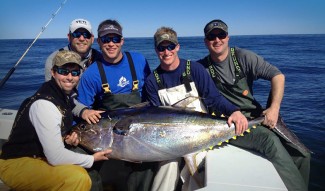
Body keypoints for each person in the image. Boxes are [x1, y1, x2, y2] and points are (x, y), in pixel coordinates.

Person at [197, 19, 311, 191]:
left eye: (221, 35)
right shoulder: (200, 68)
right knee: (269, 141)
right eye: (211, 36)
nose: (217, 40)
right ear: (206, 41)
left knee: (303, 154)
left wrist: (274, 109)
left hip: (256, 117)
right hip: (230, 124)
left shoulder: (243, 57)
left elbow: (278, 76)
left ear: (228, 37)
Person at [144, 26, 248, 191]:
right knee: (167, 166)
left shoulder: (194, 69)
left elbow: (214, 99)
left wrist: (234, 111)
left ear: (177, 47)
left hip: (199, 135)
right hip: (169, 140)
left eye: (170, 46)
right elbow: (155, 116)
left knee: (201, 171)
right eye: (161, 48)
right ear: (156, 50)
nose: (166, 52)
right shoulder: (152, 81)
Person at [0, 50, 112, 191]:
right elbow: (55, 157)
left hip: (38, 156)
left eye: (75, 72)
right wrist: (92, 159)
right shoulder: (45, 104)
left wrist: (66, 138)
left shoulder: (63, 97)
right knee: (78, 178)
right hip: (16, 163)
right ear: (53, 72)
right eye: (63, 71)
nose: (69, 77)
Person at [77, 19, 155, 191]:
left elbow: (151, 95)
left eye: (115, 39)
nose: (111, 44)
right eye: (106, 39)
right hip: (110, 135)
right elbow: (82, 110)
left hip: (141, 131)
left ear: (122, 41)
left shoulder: (139, 61)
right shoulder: (91, 74)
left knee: (149, 165)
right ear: (99, 42)